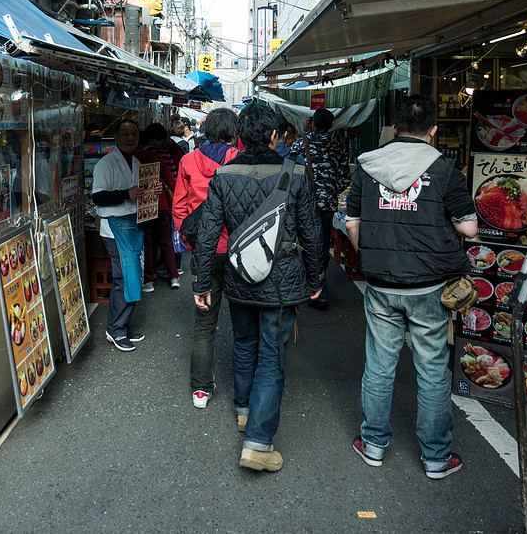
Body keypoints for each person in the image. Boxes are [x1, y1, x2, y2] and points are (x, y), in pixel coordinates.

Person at [344, 95, 477, 479]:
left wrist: (371, 257)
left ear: (396, 129)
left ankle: (373, 445)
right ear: (433, 130)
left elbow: (352, 223)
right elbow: (468, 227)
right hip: (430, 288)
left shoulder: (368, 166)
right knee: (433, 370)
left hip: (381, 285)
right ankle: (436, 458)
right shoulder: (445, 168)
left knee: (380, 366)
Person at [194, 103, 322, 472]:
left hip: (238, 277)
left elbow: (207, 234)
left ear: (239, 138)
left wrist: (202, 283)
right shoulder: (296, 173)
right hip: (281, 282)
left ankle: (243, 409)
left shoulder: (223, 174)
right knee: (272, 355)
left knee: (243, 341)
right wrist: (315, 279)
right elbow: (312, 232)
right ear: (274, 136)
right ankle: (259, 444)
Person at [173, 107, 240, 409]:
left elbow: (179, 210)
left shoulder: (188, 160)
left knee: (204, 323)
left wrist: (191, 244)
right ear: (233, 133)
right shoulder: (240, 162)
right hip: (239, 253)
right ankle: (244, 389)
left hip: (204, 251)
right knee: (244, 323)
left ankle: (200, 390)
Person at [91, 119, 154, 352]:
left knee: (133, 276)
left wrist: (151, 192)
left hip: (133, 223)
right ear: (115, 137)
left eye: (134, 134)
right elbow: (98, 198)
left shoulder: (137, 162)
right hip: (114, 227)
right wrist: (126, 194)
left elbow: (139, 193)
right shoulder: (105, 164)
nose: (130, 138)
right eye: (125, 133)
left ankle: (122, 327)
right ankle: (115, 330)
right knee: (123, 278)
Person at [290, 107, 350, 308]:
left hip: (303, 204)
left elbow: (289, 174)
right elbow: (344, 179)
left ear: (313, 124)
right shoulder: (338, 147)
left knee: (302, 242)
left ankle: (302, 287)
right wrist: (330, 190)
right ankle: (320, 289)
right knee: (323, 244)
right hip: (327, 205)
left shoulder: (300, 144)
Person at [136, 123, 184, 289]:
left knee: (148, 242)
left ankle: (149, 279)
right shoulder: (160, 155)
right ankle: (174, 276)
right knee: (166, 240)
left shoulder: (134, 157)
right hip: (162, 204)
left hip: (142, 205)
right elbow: (172, 181)